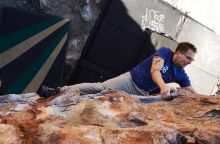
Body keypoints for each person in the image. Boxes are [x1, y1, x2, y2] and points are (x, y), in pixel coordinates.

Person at [62, 42, 197, 100]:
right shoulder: (165, 52)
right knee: (100, 88)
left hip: (142, 94)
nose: (189, 62)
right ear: (178, 53)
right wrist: (163, 87)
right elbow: (155, 70)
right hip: (130, 81)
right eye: (188, 58)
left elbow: (192, 93)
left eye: (192, 60)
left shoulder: (181, 74)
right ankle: (61, 90)